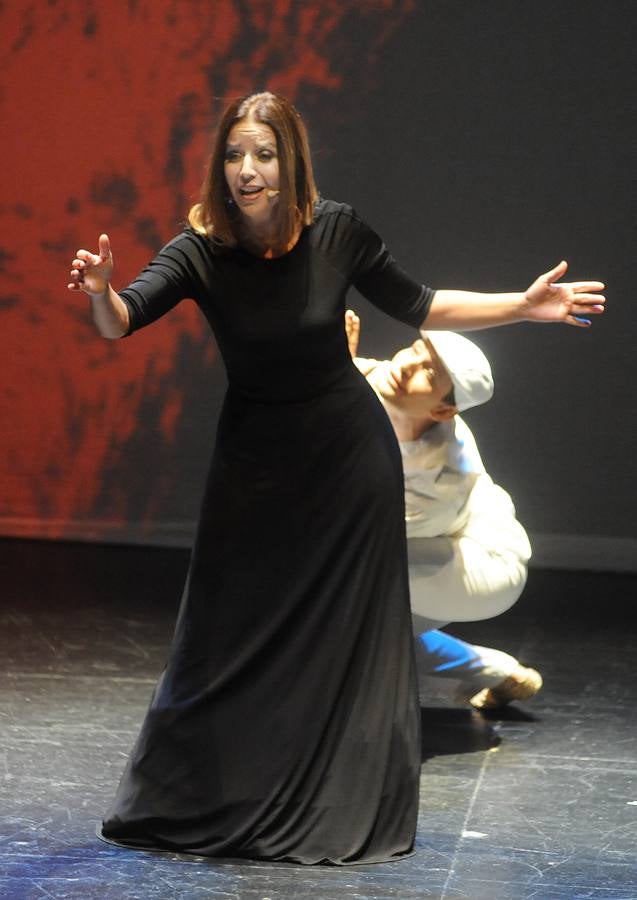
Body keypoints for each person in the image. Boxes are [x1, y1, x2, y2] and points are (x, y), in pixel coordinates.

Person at [67, 91, 605, 866]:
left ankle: (329, 800)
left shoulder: (337, 231)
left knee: (336, 639)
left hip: (346, 461)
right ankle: (214, 795)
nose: (246, 169)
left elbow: (422, 304)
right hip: (254, 465)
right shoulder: (200, 251)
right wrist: (101, 295)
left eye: (263, 154)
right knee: (224, 635)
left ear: (290, 162)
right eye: (234, 154)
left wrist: (521, 306)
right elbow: (122, 319)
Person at [346, 311, 541, 711]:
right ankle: (499, 673)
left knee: (342, 595)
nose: (407, 365)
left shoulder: (439, 480)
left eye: (429, 373)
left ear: (441, 411)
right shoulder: (392, 381)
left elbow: (358, 526)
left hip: (484, 567)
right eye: (416, 349)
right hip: (431, 543)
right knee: (354, 632)